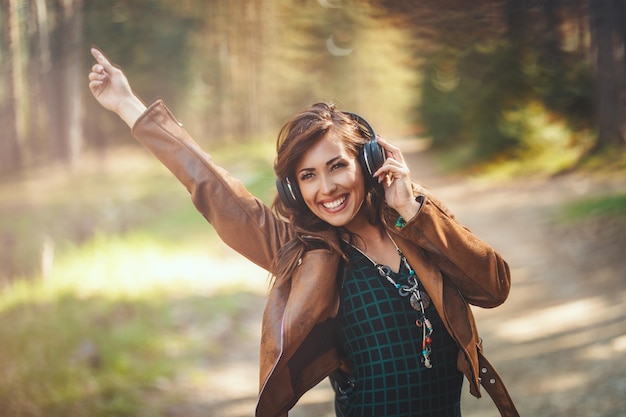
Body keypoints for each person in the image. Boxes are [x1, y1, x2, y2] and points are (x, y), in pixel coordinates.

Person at [88, 47, 519, 417]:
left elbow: (493, 287)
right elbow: (214, 188)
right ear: (294, 187)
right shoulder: (304, 251)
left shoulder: (418, 221)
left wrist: (412, 209)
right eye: (308, 175)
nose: (326, 189)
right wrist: (128, 106)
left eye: (337, 166)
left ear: (367, 163)